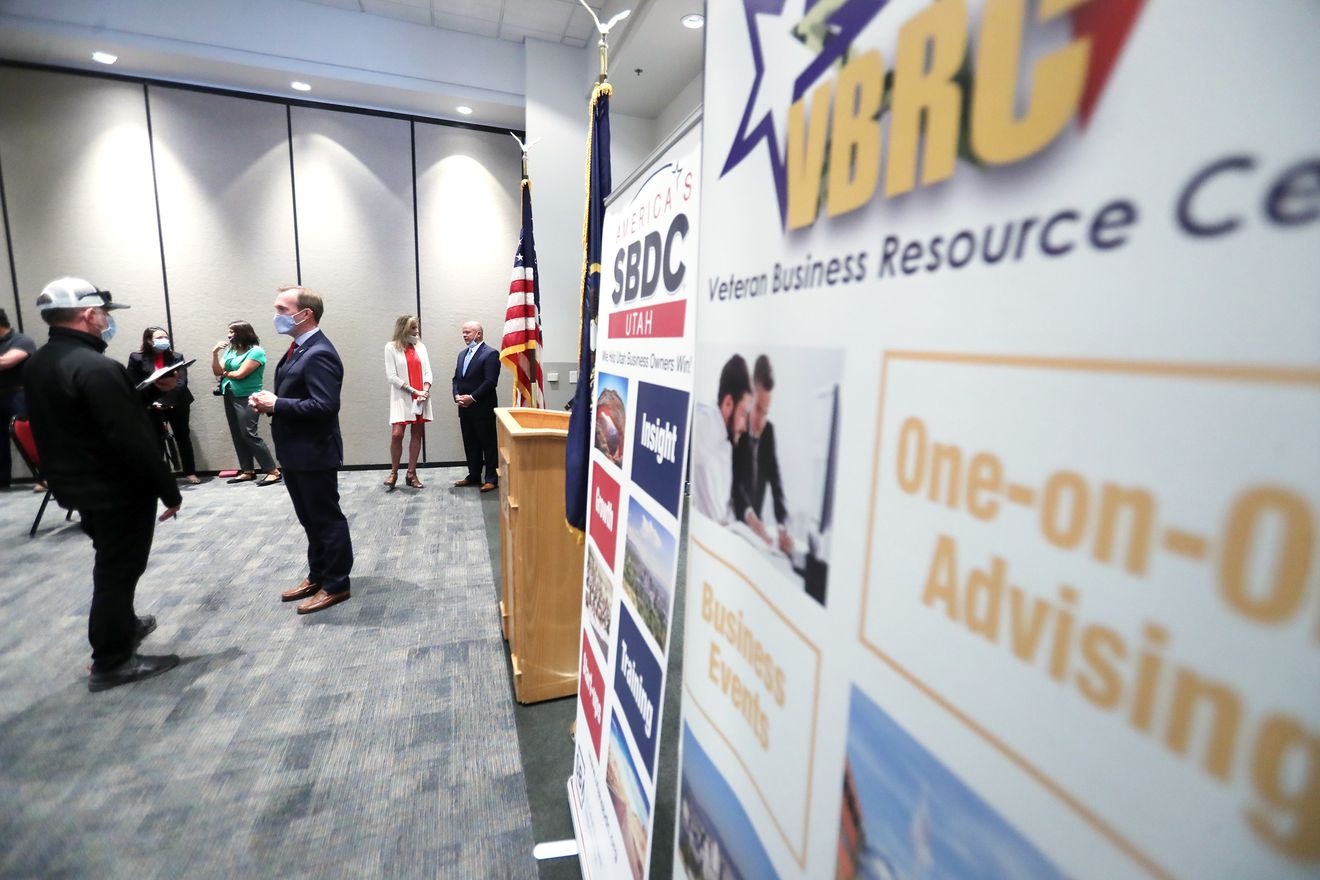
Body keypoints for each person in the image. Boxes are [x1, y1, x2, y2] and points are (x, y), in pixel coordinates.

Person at [22, 277, 180, 691]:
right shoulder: (97, 366)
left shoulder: (39, 362)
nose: (107, 321)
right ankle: (111, 660)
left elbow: (85, 417)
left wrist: (139, 395)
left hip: (77, 486)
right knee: (119, 570)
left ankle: (123, 624)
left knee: (110, 559)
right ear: (90, 315)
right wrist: (170, 489)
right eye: (105, 314)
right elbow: (130, 438)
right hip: (116, 490)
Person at [249, 285, 354, 615]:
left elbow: (325, 406)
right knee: (310, 520)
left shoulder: (319, 352)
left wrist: (278, 403)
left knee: (325, 519)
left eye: (282, 309)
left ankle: (336, 584)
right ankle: (318, 575)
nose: (276, 316)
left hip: (314, 452)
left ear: (304, 314)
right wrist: (272, 405)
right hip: (295, 451)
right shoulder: (298, 348)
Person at [732, 355, 793, 555]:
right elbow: (736, 484)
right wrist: (750, 517)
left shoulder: (769, 433)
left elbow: (777, 485)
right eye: (758, 409)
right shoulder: (736, 429)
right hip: (737, 527)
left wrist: (783, 525)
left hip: (757, 537)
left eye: (766, 412)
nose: (761, 420)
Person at [126, 325, 201, 484]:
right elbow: (134, 383)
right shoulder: (136, 357)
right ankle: (159, 475)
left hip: (178, 402)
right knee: (155, 439)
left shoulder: (176, 356)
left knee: (183, 436)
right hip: (150, 405)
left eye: (165, 337)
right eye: (159, 338)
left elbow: (181, 382)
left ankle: (190, 472)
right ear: (148, 340)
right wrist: (154, 402)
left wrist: (167, 401)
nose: (164, 340)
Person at [211, 320, 280, 486]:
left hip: (248, 396)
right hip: (229, 393)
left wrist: (226, 373)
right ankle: (247, 470)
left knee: (248, 432)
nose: (229, 335)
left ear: (243, 332)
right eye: (229, 332)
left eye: (232, 332)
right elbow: (216, 371)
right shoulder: (231, 351)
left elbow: (241, 374)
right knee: (237, 433)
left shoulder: (256, 352)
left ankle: (273, 471)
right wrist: (214, 354)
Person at [690, 354, 752, 525]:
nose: (744, 426)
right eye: (743, 414)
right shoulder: (706, 423)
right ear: (728, 403)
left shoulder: (725, 440)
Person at [383, 314, 433, 489]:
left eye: (417, 327)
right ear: (403, 328)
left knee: (417, 433)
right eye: (413, 327)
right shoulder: (391, 347)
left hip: (421, 396)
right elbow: (392, 377)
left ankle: (411, 473)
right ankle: (394, 472)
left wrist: (425, 390)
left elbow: (428, 371)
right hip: (402, 396)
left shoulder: (421, 347)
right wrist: (414, 391)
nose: (416, 331)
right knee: (397, 434)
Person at [451, 320, 500, 492]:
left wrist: (472, 397)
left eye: (468, 332)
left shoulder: (491, 354)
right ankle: (473, 475)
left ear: (478, 334)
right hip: (464, 409)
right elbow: (456, 379)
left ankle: (491, 479)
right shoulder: (462, 354)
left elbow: (490, 382)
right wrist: (456, 395)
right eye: (463, 332)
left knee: (488, 444)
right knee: (470, 444)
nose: (464, 335)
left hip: (482, 408)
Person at [0, 308, 36, 488]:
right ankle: (2, 480)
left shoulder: (22, 340)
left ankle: (45, 477)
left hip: (18, 395)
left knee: (29, 435)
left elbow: (5, 362)